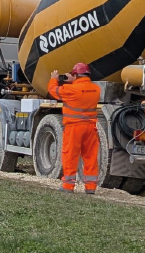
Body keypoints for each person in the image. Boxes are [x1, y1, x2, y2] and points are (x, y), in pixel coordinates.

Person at [48, 63, 101, 194]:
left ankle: (68, 186)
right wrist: (74, 81)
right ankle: (90, 187)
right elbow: (83, 91)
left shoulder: (71, 90)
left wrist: (54, 78)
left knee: (70, 155)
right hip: (90, 127)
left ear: (75, 75)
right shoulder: (96, 89)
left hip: (74, 127)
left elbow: (53, 90)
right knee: (90, 157)